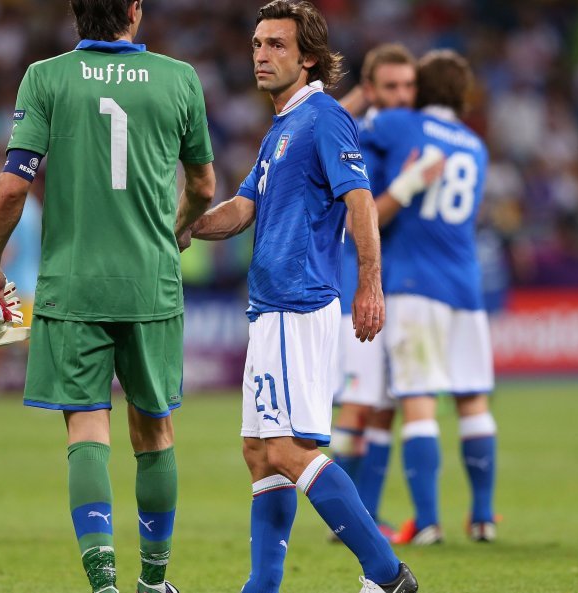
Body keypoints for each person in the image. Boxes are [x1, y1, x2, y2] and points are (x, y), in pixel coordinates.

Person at [0, 1, 216, 591]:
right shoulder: (180, 78)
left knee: (86, 427)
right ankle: (153, 583)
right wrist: (177, 231)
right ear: (134, 10)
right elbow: (204, 185)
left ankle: (103, 585)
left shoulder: (46, 76)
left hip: (72, 285)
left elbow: (10, 187)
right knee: (154, 430)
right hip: (150, 281)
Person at [183, 3, 417, 592]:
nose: (261, 54)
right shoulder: (282, 128)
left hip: (299, 301)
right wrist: (180, 226)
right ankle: (262, 587)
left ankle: (388, 575)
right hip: (268, 307)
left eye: (276, 45)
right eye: (257, 43)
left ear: (307, 56)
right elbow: (242, 210)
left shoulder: (323, 117)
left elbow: (359, 199)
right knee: (260, 453)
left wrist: (370, 282)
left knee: (288, 448)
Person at [359, 49, 498, 544]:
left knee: (418, 401)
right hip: (467, 284)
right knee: (473, 400)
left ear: (420, 90)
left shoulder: (401, 125)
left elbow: (354, 129)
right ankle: (482, 517)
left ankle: (429, 523)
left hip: (415, 282)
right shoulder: (476, 146)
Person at [327, 44, 419, 534]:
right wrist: (406, 188)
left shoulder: (399, 137)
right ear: (370, 90)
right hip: (347, 286)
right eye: (390, 87)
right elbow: (357, 213)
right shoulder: (358, 137)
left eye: (408, 86)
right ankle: (344, 521)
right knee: (360, 403)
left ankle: (368, 515)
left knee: (382, 406)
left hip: (382, 289)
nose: (402, 96)